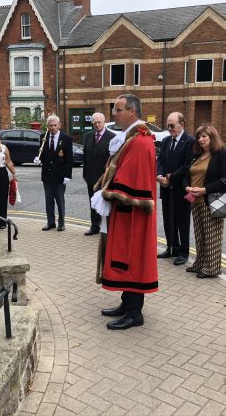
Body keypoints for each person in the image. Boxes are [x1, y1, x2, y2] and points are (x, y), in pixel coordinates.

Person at [98, 94, 158, 330]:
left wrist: (107, 192)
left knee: (133, 260)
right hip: (126, 212)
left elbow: (132, 180)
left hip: (134, 215)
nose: (115, 113)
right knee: (125, 259)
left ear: (132, 112)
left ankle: (135, 313)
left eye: (118, 109)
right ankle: (126, 303)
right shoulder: (132, 138)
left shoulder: (141, 142)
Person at [184, 124, 226, 278]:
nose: (200, 139)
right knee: (200, 235)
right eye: (199, 137)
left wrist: (204, 189)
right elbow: (188, 175)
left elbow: (224, 180)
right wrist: (187, 187)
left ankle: (212, 269)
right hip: (195, 201)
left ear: (212, 137)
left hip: (211, 200)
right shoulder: (197, 155)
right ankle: (200, 264)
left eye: (204, 136)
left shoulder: (221, 154)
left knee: (212, 236)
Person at [157, 112, 194, 265]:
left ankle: (183, 252)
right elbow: (159, 160)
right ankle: (171, 247)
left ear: (182, 124)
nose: (169, 128)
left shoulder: (190, 141)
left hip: (181, 189)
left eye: (172, 125)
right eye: (168, 125)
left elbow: (187, 165)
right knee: (168, 220)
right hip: (166, 188)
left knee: (182, 222)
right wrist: (159, 176)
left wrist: (171, 177)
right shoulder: (166, 140)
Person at [39, 115, 73, 232]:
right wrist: (39, 160)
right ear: (47, 126)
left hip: (60, 175)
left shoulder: (66, 138)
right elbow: (43, 155)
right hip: (47, 175)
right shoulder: (43, 137)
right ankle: (50, 222)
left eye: (54, 125)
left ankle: (61, 223)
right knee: (49, 200)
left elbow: (69, 159)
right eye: (50, 125)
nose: (52, 128)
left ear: (59, 125)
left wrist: (68, 175)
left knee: (59, 199)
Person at [83, 113, 115, 236]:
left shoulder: (112, 137)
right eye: (94, 123)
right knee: (93, 202)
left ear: (104, 121)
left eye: (99, 122)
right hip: (90, 176)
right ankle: (95, 226)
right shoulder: (88, 136)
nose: (97, 124)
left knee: (107, 202)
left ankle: (108, 228)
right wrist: (85, 174)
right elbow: (86, 157)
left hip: (105, 177)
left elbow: (113, 160)